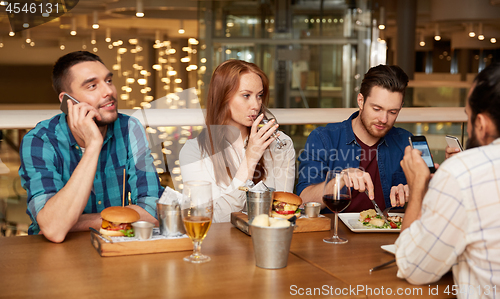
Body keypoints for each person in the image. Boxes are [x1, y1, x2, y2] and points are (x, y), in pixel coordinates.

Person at [18, 51, 163, 243]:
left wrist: (71, 221)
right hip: (55, 258)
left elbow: (152, 211)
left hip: (115, 249)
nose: (108, 91)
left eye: (109, 80)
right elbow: (54, 229)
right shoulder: (40, 141)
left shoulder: (130, 128)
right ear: (67, 101)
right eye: (92, 86)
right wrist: (94, 145)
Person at [396, 63, 500, 293]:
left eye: (469, 117)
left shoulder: (462, 174)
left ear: (481, 124)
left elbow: (413, 267)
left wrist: (417, 188)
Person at [179, 59, 295, 223]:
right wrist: (250, 158)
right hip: (221, 246)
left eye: (259, 96)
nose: (256, 105)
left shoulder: (280, 143)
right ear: (222, 97)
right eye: (246, 96)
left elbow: (283, 211)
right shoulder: (194, 151)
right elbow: (215, 220)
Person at [297, 64, 411, 212]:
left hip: (390, 234)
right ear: (361, 101)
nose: (384, 119)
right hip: (334, 232)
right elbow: (303, 201)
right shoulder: (324, 138)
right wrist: (341, 179)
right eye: (377, 109)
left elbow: (431, 201)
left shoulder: (406, 142)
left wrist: (415, 191)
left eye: (393, 112)